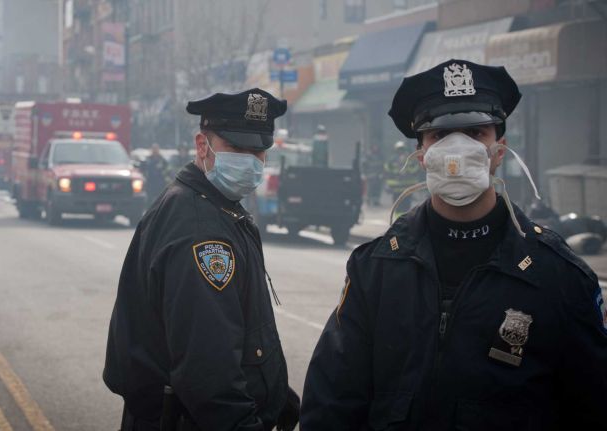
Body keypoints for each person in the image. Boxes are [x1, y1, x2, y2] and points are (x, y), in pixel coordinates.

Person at [300, 59, 607, 430]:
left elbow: (591, 405)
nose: (457, 149)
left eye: (476, 133)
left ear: (499, 150)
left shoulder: (557, 275)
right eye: (439, 136)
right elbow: (332, 403)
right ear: (421, 154)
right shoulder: (376, 269)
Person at [104, 88, 300, 431]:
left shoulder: (212, 205)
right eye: (237, 149)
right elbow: (208, 370)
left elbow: (242, 335)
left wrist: (279, 397)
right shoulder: (201, 232)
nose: (251, 162)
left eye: (258, 152)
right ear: (202, 146)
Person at [384, 140, 421, 215]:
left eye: (402, 150)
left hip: (405, 187)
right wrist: (396, 173)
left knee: (404, 206)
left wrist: (408, 172)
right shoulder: (393, 160)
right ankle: (400, 220)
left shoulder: (409, 159)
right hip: (400, 188)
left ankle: (403, 220)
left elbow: (416, 168)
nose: (400, 152)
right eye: (399, 150)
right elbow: (387, 169)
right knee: (400, 206)